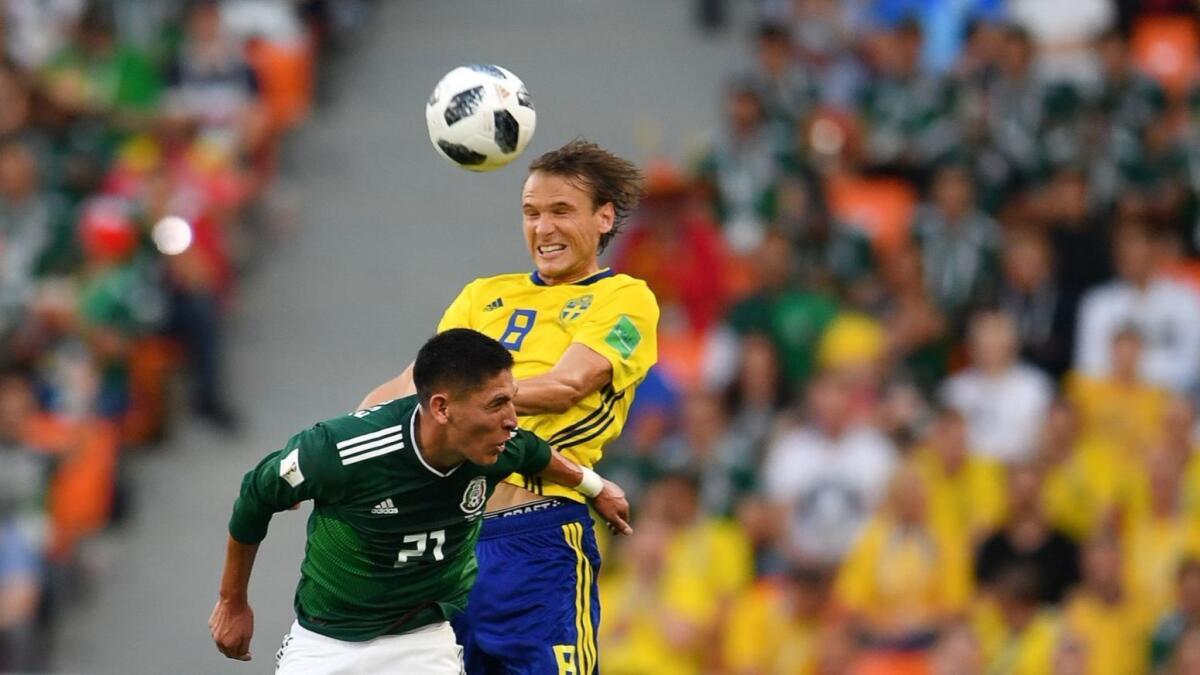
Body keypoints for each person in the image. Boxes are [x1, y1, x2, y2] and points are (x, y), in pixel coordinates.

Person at [359, 139, 658, 673]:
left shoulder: (625, 299)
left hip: (537, 535)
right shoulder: (482, 296)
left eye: (561, 211)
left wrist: (464, 396)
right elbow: (408, 385)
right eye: (531, 213)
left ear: (604, 217)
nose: (543, 229)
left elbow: (569, 385)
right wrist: (336, 445)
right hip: (445, 540)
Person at [209, 329, 632, 672]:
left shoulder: (498, 444)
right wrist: (232, 602)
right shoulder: (342, 451)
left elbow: (540, 455)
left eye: (513, 400)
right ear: (442, 407)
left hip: (423, 643)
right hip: (328, 643)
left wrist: (596, 487)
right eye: (498, 404)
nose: (512, 420)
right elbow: (256, 495)